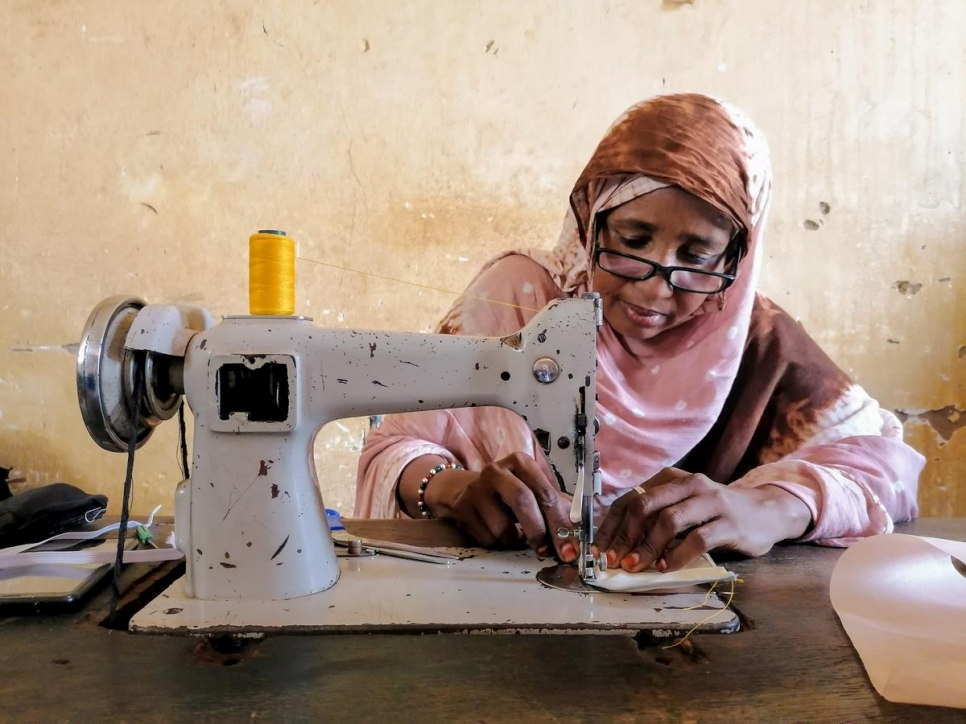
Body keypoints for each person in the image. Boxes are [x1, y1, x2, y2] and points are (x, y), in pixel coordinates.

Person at [354, 93, 923, 575]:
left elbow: (887, 469)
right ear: (592, 222)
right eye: (631, 241)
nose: (655, 290)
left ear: (737, 259)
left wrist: (770, 508)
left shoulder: (758, 345)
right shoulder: (521, 298)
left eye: (697, 256)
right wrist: (450, 486)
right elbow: (396, 446)